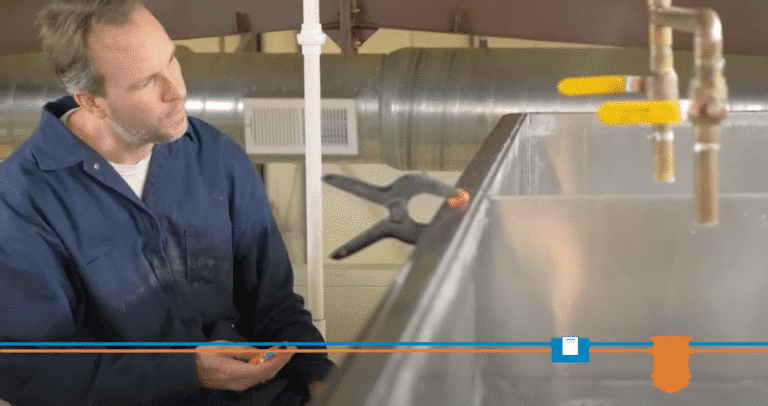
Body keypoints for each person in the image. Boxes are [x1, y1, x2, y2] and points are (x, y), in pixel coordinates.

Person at [0, 0, 335, 404]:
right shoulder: (19, 201)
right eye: (145, 82)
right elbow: (32, 370)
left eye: (172, 60)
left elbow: (274, 304)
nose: (177, 91)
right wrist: (188, 372)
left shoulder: (215, 155)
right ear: (91, 101)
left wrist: (323, 380)